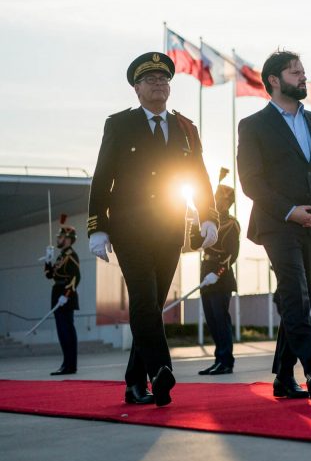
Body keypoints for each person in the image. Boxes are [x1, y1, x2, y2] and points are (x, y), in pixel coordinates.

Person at [88, 52, 218, 405]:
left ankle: (134, 384)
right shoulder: (119, 125)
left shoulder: (185, 128)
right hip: (130, 229)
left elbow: (199, 178)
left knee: (151, 306)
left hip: (170, 227)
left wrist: (208, 215)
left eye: (164, 79)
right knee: (144, 301)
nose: (159, 84)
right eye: (151, 80)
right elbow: (102, 179)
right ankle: (161, 369)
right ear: (136, 88)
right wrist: (96, 227)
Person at [237, 50, 311, 402]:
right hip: (277, 223)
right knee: (294, 290)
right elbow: (251, 181)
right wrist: (290, 211)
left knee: (299, 297)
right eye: (295, 72)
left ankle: (284, 378)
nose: (303, 77)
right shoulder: (253, 126)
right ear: (274, 80)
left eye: (303, 71)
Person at [197, 182, 241, 376]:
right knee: (212, 321)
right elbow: (195, 243)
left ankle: (226, 360)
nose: (217, 203)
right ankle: (219, 360)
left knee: (221, 319)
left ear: (228, 203)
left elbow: (232, 254)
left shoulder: (232, 224)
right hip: (206, 274)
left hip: (219, 277)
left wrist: (218, 273)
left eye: (221, 200)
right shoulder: (207, 221)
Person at [43, 218, 81, 375]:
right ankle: (67, 363)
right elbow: (50, 275)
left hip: (66, 296)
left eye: (60, 237)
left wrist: (66, 295)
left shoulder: (72, 255)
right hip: (57, 293)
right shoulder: (60, 256)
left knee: (67, 331)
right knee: (62, 331)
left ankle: (70, 365)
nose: (58, 239)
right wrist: (48, 260)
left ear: (68, 239)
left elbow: (75, 277)